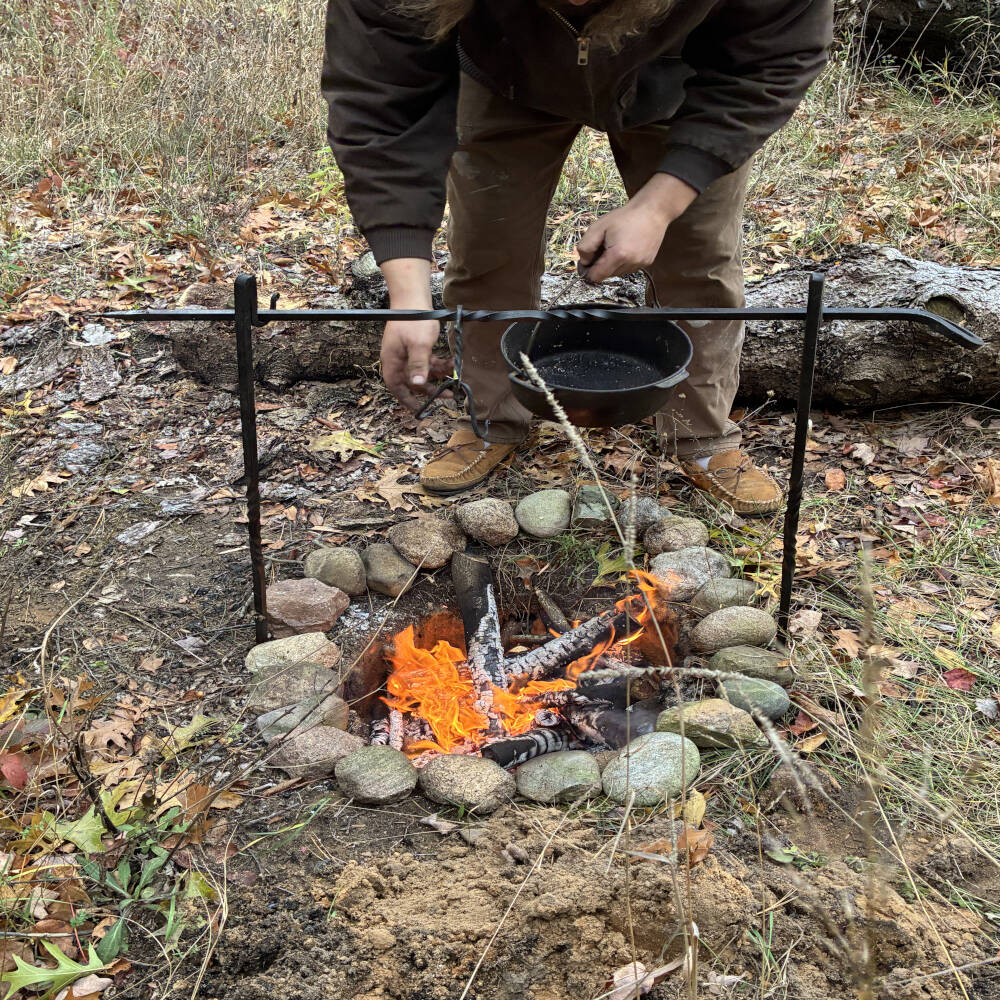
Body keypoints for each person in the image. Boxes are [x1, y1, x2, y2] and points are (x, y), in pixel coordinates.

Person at [322, 0, 833, 513]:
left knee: (697, 258)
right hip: (505, 69)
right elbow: (382, 109)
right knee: (488, 252)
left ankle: (702, 439)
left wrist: (659, 207)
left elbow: (774, 60)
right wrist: (408, 296)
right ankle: (491, 421)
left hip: (683, 74)